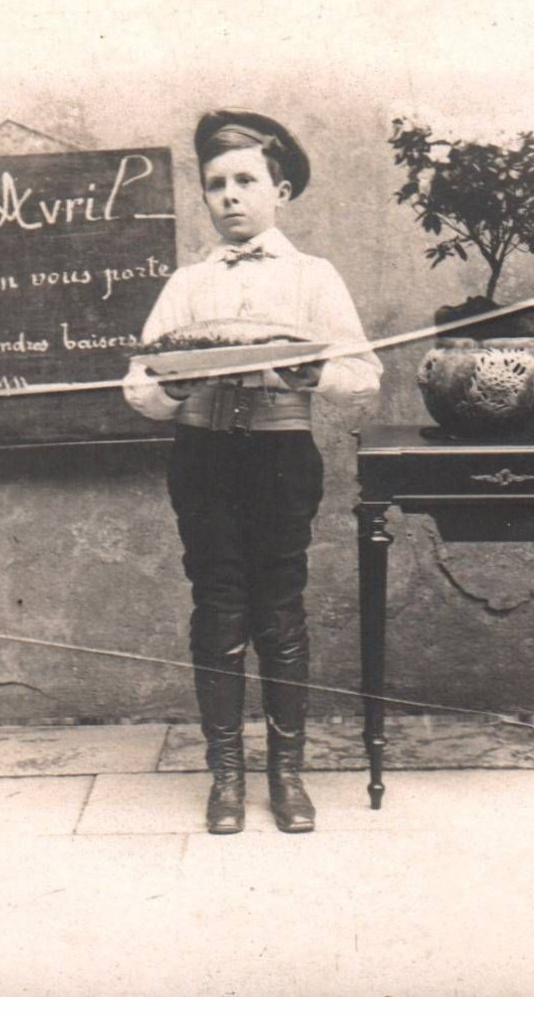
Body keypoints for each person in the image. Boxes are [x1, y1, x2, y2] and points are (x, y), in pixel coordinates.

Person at [123, 109, 381, 834]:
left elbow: (364, 377)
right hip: (203, 460)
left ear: (282, 190)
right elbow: (138, 389)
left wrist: (313, 372)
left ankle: (287, 777)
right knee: (218, 613)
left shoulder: (312, 277)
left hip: (278, 460)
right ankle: (226, 779)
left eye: (245, 181)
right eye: (215, 184)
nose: (229, 196)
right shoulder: (186, 284)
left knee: (279, 612)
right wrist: (170, 386)